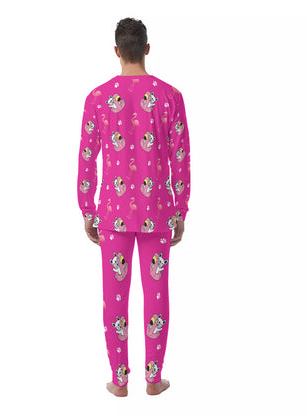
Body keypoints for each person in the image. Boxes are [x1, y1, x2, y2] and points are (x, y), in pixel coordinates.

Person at [77, 17, 191, 396]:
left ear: (116, 51)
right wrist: (180, 210)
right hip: (158, 212)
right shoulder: (170, 96)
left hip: (113, 214)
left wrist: (88, 210)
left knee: (115, 299)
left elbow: (87, 157)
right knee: (157, 295)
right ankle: (153, 379)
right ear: (147, 48)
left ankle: (120, 380)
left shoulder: (97, 98)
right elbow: (180, 157)